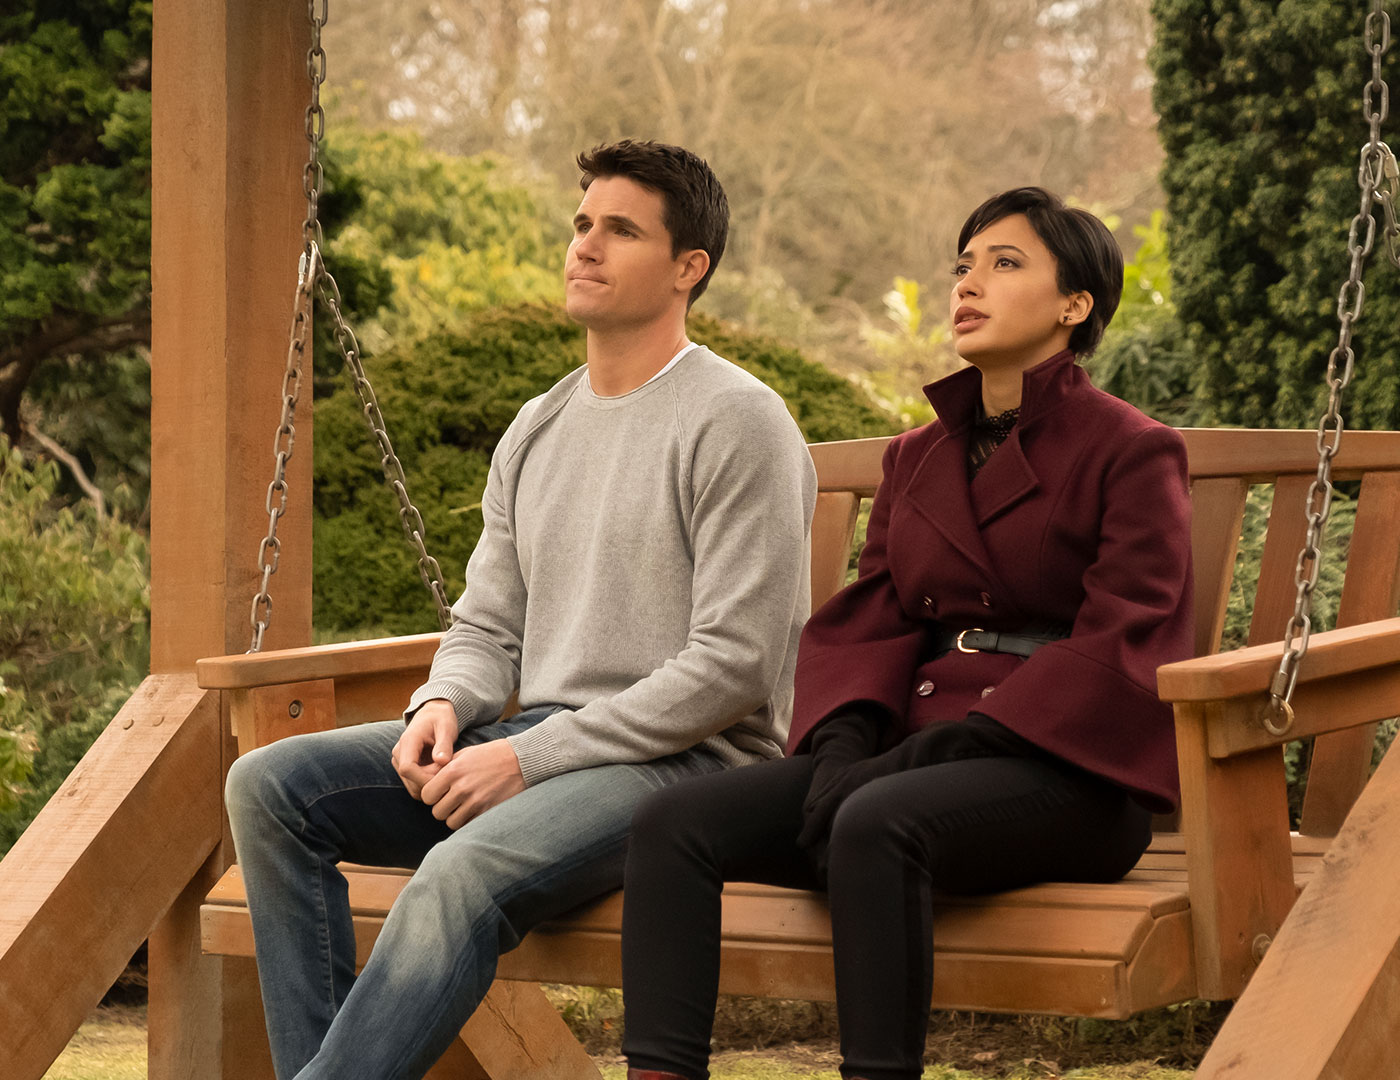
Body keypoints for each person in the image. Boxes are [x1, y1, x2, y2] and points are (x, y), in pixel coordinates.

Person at [224, 139, 819, 1080]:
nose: (586, 244)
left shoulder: (738, 420)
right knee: (271, 788)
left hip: (683, 768)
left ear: (688, 267)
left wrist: (526, 758)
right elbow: (487, 625)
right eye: (582, 223)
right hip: (539, 746)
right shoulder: (539, 425)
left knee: (457, 873)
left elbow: (734, 666)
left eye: (621, 230)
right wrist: (441, 703)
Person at [618, 187, 1195, 1080]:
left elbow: (1129, 632)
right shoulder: (915, 456)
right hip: (908, 754)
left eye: (1005, 263)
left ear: (1075, 305)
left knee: (877, 821)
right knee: (672, 822)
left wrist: (927, 757)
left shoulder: (1130, 449)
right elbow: (874, 619)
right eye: (964, 265)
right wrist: (845, 748)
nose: (969, 283)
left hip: (1068, 768)